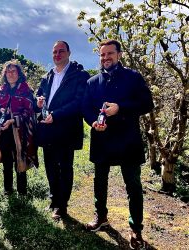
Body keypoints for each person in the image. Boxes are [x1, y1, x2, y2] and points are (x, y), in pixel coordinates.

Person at [82, 39, 154, 249]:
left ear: (119, 55)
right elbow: (85, 108)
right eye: (102, 55)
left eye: (110, 54)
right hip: (102, 139)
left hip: (127, 140)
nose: (105, 58)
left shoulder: (133, 77)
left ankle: (136, 229)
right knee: (100, 182)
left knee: (133, 186)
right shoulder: (92, 82)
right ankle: (101, 217)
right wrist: (93, 122)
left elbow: (147, 104)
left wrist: (120, 108)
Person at [36, 41, 90, 220]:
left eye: (61, 51)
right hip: (47, 128)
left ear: (69, 53)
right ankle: (54, 200)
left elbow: (79, 102)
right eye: (54, 52)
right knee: (50, 166)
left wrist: (57, 115)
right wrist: (39, 102)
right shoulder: (48, 75)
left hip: (66, 129)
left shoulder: (79, 75)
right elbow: (39, 95)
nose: (57, 54)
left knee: (64, 168)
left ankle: (62, 206)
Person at [0, 60, 38, 196]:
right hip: (3, 132)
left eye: (13, 71)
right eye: (8, 71)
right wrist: (0, 112)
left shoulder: (26, 90)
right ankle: (8, 190)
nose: (10, 74)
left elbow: (30, 111)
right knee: (6, 161)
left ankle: (22, 192)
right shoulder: (1, 91)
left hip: (20, 132)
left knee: (20, 160)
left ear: (19, 73)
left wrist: (13, 119)